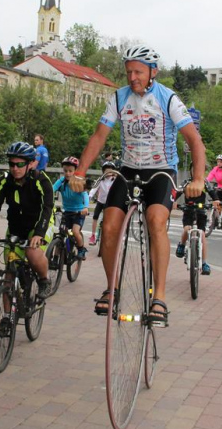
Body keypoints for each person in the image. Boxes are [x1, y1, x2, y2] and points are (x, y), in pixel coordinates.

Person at [67, 45, 206, 328]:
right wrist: (80, 171)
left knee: (156, 221)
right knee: (108, 225)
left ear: (152, 72)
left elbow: (194, 141)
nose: (132, 77)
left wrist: (199, 179)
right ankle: (112, 288)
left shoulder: (168, 99)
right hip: (129, 168)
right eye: (129, 71)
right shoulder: (119, 98)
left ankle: (161, 298)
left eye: (138, 71)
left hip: (161, 170)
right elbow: (99, 136)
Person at [0, 142, 54, 298]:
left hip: (40, 225)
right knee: (8, 276)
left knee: (32, 253)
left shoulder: (41, 180)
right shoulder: (4, 181)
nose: (15, 168)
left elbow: (47, 208)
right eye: (11, 164)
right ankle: (6, 319)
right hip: (16, 227)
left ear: (30, 164)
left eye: (20, 164)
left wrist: (38, 234)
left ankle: (44, 280)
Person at [52, 156, 90, 260]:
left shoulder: (78, 182)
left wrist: (86, 207)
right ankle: (55, 257)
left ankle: (81, 249)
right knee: (61, 234)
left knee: (75, 231)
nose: (68, 173)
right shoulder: (61, 181)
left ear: (75, 171)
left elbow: (85, 195)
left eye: (70, 171)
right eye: (65, 171)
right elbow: (51, 190)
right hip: (67, 212)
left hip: (79, 212)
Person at [175, 179, 211, 275]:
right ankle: (182, 245)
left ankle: (204, 263)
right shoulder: (186, 182)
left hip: (201, 212)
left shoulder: (204, 183)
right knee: (187, 228)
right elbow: (177, 192)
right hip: (188, 211)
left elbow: (212, 192)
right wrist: (173, 201)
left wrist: (216, 200)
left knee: (202, 234)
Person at [88, 161, 118, 245]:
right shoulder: (100, 180)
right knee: (95, 217)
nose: (108, 173)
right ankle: (93, 235)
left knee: (108, 220)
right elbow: (94, 189)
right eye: (106, 171)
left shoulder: (115, 180)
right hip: (100, 202)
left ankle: (107, 235)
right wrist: (89, 197)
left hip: (109, 203)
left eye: (110, 171)